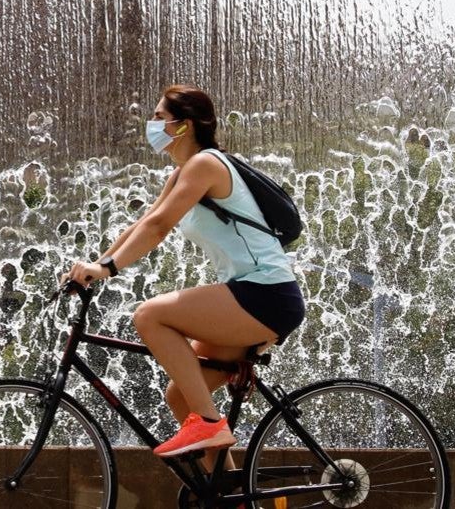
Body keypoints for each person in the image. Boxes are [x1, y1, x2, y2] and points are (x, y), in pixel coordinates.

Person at [62, 84, 305, 466]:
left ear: (184, 125)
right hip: (247, 296)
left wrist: (106, 269)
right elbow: (144, 223)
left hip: (266, 294)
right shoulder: (179, 175)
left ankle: (209, 423)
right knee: (181, 396)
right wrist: (95, 265)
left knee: (149, 314)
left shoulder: (206, 164)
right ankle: (225, 491)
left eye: (159, 117)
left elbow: (160, 226)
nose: (151, 124)